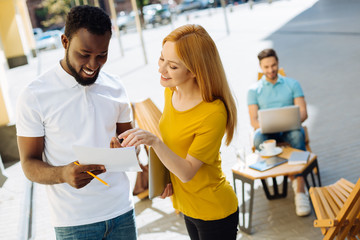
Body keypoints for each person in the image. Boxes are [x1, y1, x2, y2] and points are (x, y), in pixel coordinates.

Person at [16, 6, 137, 239]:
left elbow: (132, 147)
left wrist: (128, 150)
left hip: (122, 211)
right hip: (74, 223)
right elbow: (28, 164)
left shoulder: (116, 86)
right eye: (84, 54)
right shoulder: (34, 95)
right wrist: (63, 174)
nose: (93, 64)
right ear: (64, 42)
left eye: (102, 55)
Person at [113, 24, 239, 240]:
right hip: (186, 206)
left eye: (172, 66)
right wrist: (164, 179)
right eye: (162, 59)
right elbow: (175, 148)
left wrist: (154, 141)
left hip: (213, 211)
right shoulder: (171, 93)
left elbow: (188, 171)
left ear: (194, 71)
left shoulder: (213, 113)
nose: (161, 70)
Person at [247, 48, 310, 216]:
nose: (270, 70)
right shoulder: (253, 90)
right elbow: (253, 120)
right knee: (258, 137)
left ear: (278, 63)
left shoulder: (292, 84)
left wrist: (292, 120)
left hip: (290, 128)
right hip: (267, 132)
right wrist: (263, 125)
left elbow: (303, 113)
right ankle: (293, 177)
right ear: (260, 67)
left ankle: (300, 192)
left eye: (273, 65)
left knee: (297, 134)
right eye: (266, 67)